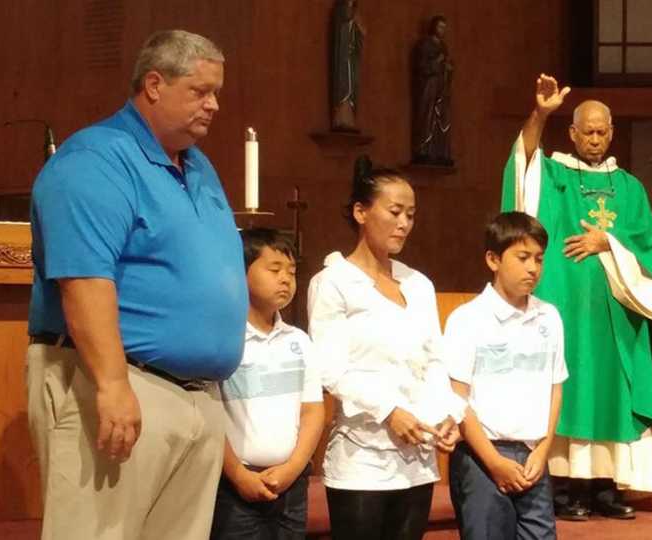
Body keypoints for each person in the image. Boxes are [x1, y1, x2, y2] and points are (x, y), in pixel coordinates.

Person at [26, 30, 248, 540]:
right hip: (121, 383)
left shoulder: (196, 165)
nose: (213, 105)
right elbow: (84, 279)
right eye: (200, 91)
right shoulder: (96, 160)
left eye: (217, 92)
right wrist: (111, 384)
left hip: (195, 397)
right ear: (154, 84)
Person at [501, 74, 652, 520]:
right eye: (586, 132)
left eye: (602, 132)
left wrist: (609, 243)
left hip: (615, 316)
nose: (595, 139)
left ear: (611, 133)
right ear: (573, 133)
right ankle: (564, 487)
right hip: (567, 312)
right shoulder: (557, 176)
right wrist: (540, 113)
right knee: (569, 387)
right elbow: (525, 166)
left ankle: (604, 488)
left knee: (611, 390)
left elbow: (649, 248)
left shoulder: (631, 188)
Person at [307, 155, 466, 540]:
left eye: (410, 214)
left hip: (416, 453)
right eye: (394, 211)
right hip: (363, 455)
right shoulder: (334, 282)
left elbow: (434, 359)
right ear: (361, 212)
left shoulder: (418, 284)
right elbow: (330, 368)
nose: (404, 223)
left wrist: (448, 414)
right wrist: (389, 411)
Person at [445, 211, 566, 540]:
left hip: (533, 456)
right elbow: (458, 399)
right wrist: (494, 462)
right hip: (482, 457)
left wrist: (543, 449)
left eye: (539, 259)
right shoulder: (468, 319)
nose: (533, 268)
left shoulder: (549, 317)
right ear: (493, 259)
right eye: (523, 257)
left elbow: (555, 388)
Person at [211, 228, 325, 540]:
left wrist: (294, 467)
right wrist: (237, 475)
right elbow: (209, 415)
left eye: (292, 271)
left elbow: (313, 412)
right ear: (240, 272)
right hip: (234, 484)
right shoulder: (224, 339)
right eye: (274, 269)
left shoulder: (299, 341)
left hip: (290, 483)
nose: (286, 279)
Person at [412, 15, 453, 166]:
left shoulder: (443, 47)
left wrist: (448, 68)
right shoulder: (425, 45)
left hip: (441, 91)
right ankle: (424, 150)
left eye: (444, 28)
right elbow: (422, 67)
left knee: (441, 119)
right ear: (434, 27)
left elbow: (446, 68)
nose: (442, 30)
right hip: (429, 88)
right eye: (440, 27)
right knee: (427, 117)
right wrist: (437, 62)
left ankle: (440, 152)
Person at [330, 0, 366, 131]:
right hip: (343, 55)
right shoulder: (340, 10)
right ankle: (341, 118)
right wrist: (351, 17)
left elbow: (361, 34)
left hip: (352, 57)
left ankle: (350, 119)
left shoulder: (355, 13)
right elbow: (340, 29)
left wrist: (360, 30)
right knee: (343, 82)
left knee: (353, 83)